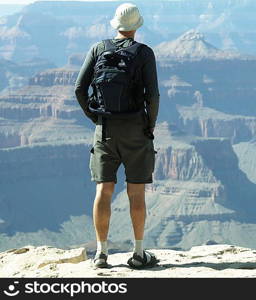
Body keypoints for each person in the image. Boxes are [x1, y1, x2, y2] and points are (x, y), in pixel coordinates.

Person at [74, 2, 160, 269]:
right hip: (136, 129)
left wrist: (96, 119)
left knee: (104, 189)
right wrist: (150, 125)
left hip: (105, 129)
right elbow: (152, 95)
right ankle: (138, 253)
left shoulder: (98, 49)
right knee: (136, 193)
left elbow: (79, 88)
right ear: (137, 26)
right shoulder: (144, 53)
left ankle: (100, 254)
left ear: (116, 25)